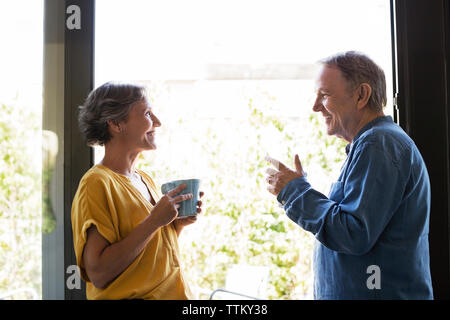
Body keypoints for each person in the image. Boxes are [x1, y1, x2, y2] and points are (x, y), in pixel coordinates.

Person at [265, 51, 433, 299]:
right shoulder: (375, 144)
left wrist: (294, 192)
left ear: (362, 95)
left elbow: (354, 233)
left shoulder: (378, 144)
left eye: (324, 94)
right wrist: (297, 191)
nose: (315, 107)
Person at [71, 82, 203, 300]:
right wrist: (154, 221)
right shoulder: (96, 184)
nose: (158, 123)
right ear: (115, 123)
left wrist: (175, 226)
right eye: (147, 113)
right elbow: (99, 273)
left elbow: (146, 256)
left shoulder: (144, 179)